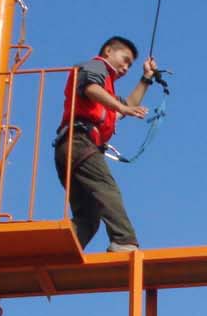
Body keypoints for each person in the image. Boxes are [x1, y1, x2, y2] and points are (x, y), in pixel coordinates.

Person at [54, 36, 159, 252]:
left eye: (130, 65)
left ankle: (59, 253)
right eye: (125, 59)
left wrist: (146, 78)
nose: (126, 67)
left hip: (72, 149)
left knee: (89, 216)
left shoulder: (106, 92)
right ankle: (123, 240)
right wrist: (122, 108)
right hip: (80, 143)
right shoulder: (96, 66)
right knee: (107, 189)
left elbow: (128, 103)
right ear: (108, 51)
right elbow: (90, 88)